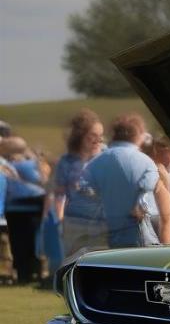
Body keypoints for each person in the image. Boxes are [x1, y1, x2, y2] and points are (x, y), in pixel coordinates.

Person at [83, 114, 170, 247]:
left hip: (107, 237)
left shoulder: (95, 163)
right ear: (138, 135)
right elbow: (162, 199)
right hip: (140, 236)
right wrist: (167, 238)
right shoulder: (145, 162)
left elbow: (84, 196)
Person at [52, 109, 107, 257]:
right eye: (92, 136)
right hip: (75, 222)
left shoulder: (108, 157)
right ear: (79, 137)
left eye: (101, 136)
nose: (98, 141)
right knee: (74, 261)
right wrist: (60, 220)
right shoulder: (66, 162)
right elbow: (59, 194)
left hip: (103, 223)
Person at [0, 137, 47, 282]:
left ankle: (24, 274)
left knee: (20, 244)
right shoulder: (30, 163)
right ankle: (33, 272)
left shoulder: (13, 164)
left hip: (19, 209)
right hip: (34, 207)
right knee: (33, 243)